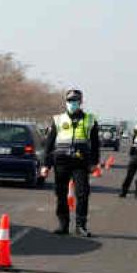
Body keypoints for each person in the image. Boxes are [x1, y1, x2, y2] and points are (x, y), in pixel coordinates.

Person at [41, 89, 100, 237]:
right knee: (60, 193)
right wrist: (45, 165)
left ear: (81, 102)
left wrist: (94, 162)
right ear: (66, 102)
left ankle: (81, 225)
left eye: (75, 101)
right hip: (61, 161)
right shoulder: (58, 119)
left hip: (80, 161)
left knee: (83, 193)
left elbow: (95, 143)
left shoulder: (90, 120)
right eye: (69, 101)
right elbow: (49, 144)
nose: (72, 104)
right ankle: (63, 224)